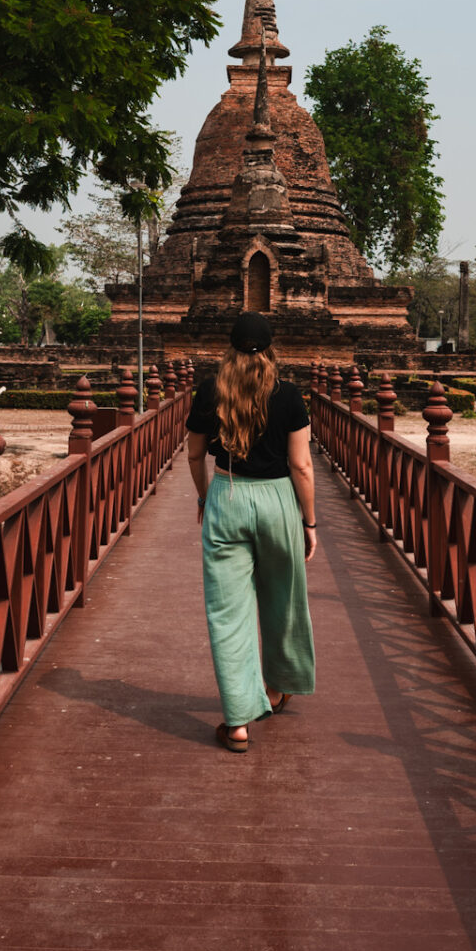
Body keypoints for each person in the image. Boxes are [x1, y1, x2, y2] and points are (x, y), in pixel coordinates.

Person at [185, 311, 317, 752]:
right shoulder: (290, 395)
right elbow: (301, 465)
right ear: (271, 347)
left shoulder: (209, 391)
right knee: (284, 597)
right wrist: (309, 522)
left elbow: (193, 455)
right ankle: (277, 688)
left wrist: (206, 497)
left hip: (227, 493)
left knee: (228, 613)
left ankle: (238, 721)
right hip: (279, 500)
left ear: (230, 347)